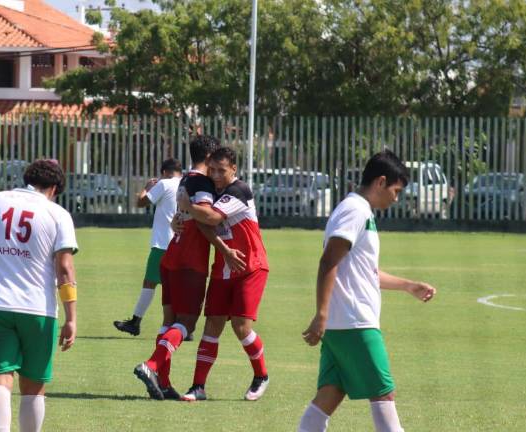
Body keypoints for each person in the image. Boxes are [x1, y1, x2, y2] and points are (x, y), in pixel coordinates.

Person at [297, 150, 437, 432]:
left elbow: (366, 272)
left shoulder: (362, 212)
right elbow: (329, 260)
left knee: (329, 395)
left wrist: (408, 286)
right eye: (396, 190)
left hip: (345, 324)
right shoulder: (355, 210)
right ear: (380, 182)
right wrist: (321, 314)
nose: (396, 198)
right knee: (384, 394)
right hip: (355, 323)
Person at [0, 159, 78, 432]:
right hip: (38, 310)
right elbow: (64, 269)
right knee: (33, 387)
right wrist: (71, 318)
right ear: (54, 188)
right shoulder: (58, 214)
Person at [132, 135, 224, 400]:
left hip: (172, 255)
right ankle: (151, 365)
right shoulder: (202, 182)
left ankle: (163, 382)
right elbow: (205, 217)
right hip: (190, 260)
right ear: (209, 158)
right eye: (216, 158)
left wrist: (178, 218)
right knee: (188, 323)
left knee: (168, 321)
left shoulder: (183, 180)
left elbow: (181, 214)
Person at [176, 146, 270, 402]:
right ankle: (198, 387)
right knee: (212, 326)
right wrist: (182, 217)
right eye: (213, 169)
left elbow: (212, 217)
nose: (216, 175)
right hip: (223, 268)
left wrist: (187, 206)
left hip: (250, 266)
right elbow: (205, 225)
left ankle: (261, 375)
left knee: (241, 326)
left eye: (222, 170)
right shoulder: (210, 190)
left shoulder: (239, 190)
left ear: (234, 170)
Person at [113, 158, 183, 336]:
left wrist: (147, 187)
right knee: (176, 285)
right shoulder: (187, 183)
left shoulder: (164, 184)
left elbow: (141, 202)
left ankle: (135, 323)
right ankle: (183, 327)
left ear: (165, 172)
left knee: (150, 282)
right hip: (181, 242)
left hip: (163, 243)